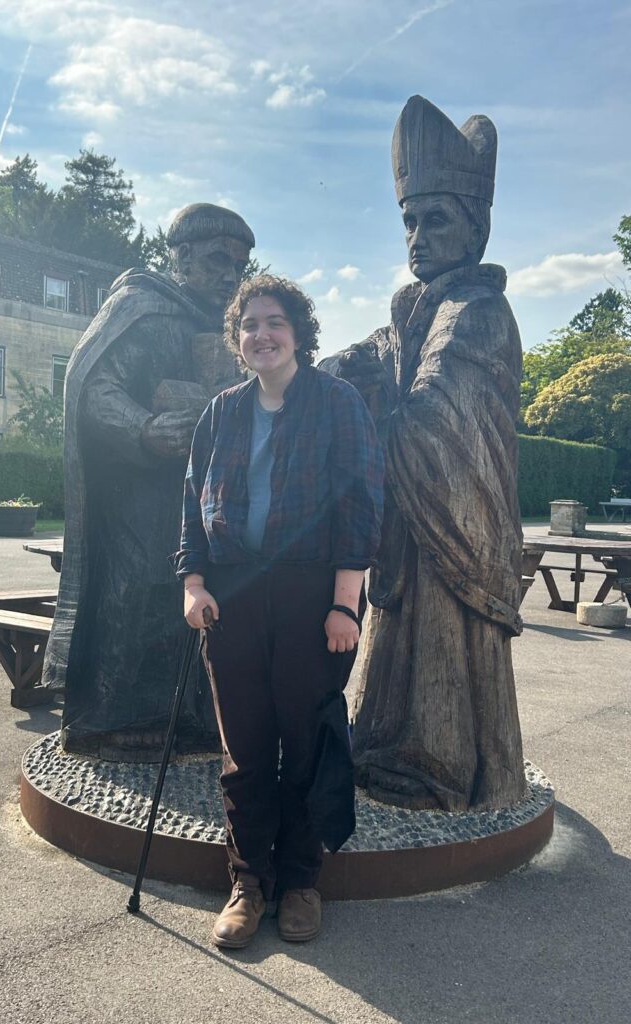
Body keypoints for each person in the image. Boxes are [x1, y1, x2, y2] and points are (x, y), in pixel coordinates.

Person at [322, 95, 526, 812]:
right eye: (409, 221)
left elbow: (441, 414)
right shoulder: (414, 311)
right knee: (398, 643)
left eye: (434, 220)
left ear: (475, 228)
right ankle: (387, 745)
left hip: (453, 522)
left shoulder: (477, 312)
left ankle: (441, 765)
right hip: (413, 521)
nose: (416, 237)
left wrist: (372, 412)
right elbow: (360, 362)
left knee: (440, 643)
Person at [174, 275, 383, 949]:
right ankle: (248, 883)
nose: (261, 335)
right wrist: (193, 583)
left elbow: (359, 504)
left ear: (298, 333)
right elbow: (192, 505)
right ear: (237, 339)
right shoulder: (221, 413)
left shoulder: (337, 403)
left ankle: (299, 882)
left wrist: (344, 603)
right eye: (249, 325)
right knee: (245, 751)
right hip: (232, 597)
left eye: (275, 322)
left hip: (312, 596)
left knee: (307, 745)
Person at [42, 203, 254, 762]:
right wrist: (144, 429)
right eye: (218, 260)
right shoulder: (142, 309)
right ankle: (118, 722)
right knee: (137, 597)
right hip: (140, 500)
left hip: (206, 502)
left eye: (239, 266)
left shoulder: (235, 328)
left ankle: (196, 719)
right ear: (181, 257)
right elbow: (95, 390)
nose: (230, 276)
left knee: (204, 608)